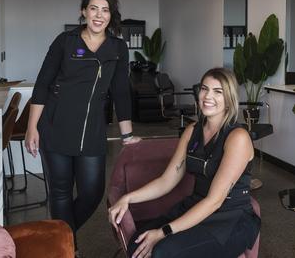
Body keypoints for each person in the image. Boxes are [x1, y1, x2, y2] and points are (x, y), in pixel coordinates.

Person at [25, 0, 140, 243]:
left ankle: (59, 238)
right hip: (55, 126)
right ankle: (68, 247)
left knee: (92, 192)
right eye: (93, 8)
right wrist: (32, 128)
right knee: (61, 193)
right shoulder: (65, 42)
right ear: (83, 12)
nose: (99, 15)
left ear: (111, 15)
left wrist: (127, 135)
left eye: (105, 10)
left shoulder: (118, 48)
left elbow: (121, 92)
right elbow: (42, 84)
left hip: (92, 131)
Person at [108, 68, 261, 258]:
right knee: (137, 245)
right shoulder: (192, 131)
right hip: (195, 207)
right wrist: (128, 198)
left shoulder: (238, 137)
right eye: (204, 89)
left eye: (218, 91)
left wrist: (163, 232)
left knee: (162, 251)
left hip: (230, 219)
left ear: (229, 99)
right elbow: (167, 180)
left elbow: (214, 201)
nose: (207, 96)